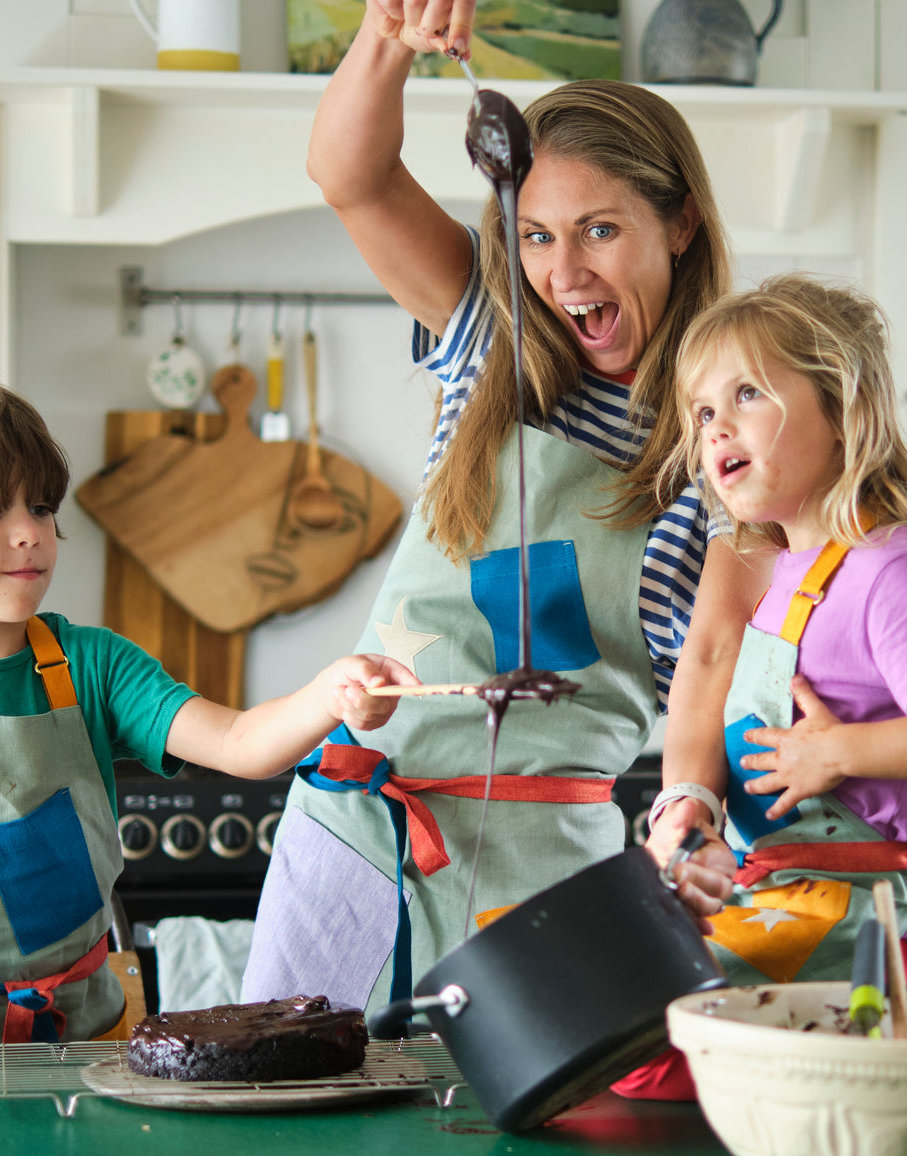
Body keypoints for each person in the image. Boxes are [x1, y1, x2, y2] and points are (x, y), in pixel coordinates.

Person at [240, 0, 759, 1020]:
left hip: (550, 869)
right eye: (533, 235)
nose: (562, 273)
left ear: (681, 221)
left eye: (599, 230)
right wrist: (387, 32)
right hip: (361, 836)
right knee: (294, 1112)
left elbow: (729, 692)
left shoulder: (722, 449)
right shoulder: (492, 342)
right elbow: (349, 174)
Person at [0, 381, 416, 1153]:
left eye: (42, 507)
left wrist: (331, 694)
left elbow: (241, 741)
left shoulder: (92, 663)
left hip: (83, 1034)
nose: (31, 533)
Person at [616, 272, 907, 1099]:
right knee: (614, 1020)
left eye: (746, 395)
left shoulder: (891, 569)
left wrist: (834, 752)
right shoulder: (779, 570)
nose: (715, 427)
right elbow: (704, 670)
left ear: (842, 410)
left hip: (859, 910)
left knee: (637, 1045)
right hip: (782, 888)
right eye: (703, 412)